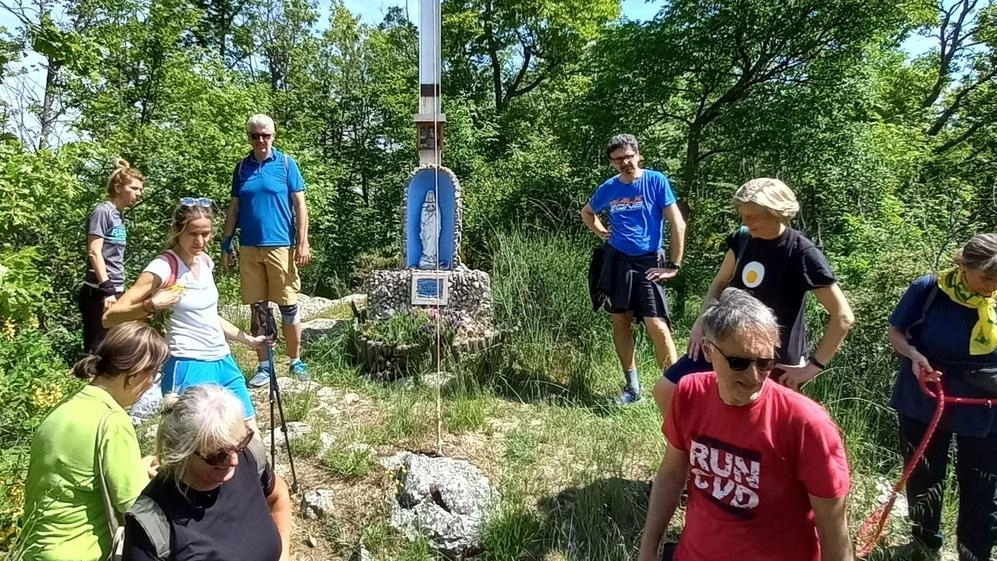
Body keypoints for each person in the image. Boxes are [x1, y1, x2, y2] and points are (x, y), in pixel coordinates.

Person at [637, 288, 853, 561]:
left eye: (764, 363)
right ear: (707, 350)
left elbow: (833, 529)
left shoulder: (805, 423)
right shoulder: (690, 393)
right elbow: (671, 473)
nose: (753, 377)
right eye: (738, 362)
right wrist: (647, 549)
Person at [652, 178, 853, 418]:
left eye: (752, 216)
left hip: (770, 360)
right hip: (724, 344)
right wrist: (702, 322)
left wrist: (812, 368)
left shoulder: (802, 253)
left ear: (778, 213)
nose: (745, 222)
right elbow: (719, 283)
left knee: (752, 423)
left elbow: (843, 317)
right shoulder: (743, 238)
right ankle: (694, 448)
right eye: (743, 215)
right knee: (666, 390)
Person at [104, 198, 266, 428]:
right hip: (187, 362)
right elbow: (110, 318)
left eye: (206, 233)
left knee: (247, 430)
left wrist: (248, 340)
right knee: (194, 441)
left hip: (223, 359)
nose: (200, 241)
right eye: (193, 234)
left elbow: (209, 315)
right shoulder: (163, 267)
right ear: (178, 231)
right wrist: (150, 304)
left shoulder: (205, 262)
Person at [886, 233, 997, 561]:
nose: (992, 286)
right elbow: (896, 331)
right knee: (923, 472)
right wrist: (914, 356)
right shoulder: (929, 289)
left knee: (982, 485)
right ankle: (924, 543)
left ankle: (974, 554)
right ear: (964, 266)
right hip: (924, 395)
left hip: (985, 406)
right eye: (987, 277)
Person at [16, 323, 168, 561]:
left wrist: (139, 466)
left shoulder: (62, 410)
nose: (151, 384)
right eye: (154, 375)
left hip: (33, 549)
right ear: (135, 374)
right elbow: (133, 504)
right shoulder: (112, 421)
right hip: (81, 552)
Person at [122, 385, 292, 561]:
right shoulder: (152, 524)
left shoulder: (249, 457)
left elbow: (278, 496)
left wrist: (283, 554)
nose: (233, 460)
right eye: (218, 455)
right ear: (184, 452)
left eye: (239, 444)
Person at [581, 134, 686, 405]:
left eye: (628, 156)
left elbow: (678, 224)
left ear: (638, 154)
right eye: (618, 159)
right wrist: (603, 233)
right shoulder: (609, 188)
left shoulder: (656, 181)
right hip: (618, 260)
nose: (625, 162)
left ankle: (675, 393)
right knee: (621, 321)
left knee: (657, 325)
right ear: (612, 163)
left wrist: (674, 265)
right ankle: (632, 389)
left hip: (649, 260)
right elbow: (587, 212)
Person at [221, 113, 311, 387]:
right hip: (249, 247)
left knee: (288, 305)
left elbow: (300, 205)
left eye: (265, 135)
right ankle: (264, 365)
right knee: (258, 308)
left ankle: (295, 361)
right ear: (249, 136)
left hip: (281, 246)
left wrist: (303, 241)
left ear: (273, 135)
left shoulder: (286, 164)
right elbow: (234, 207)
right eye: (255, 135)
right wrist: (226, 242)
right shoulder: (241, 168)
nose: (260, 140)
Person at [78, 159, 144, 353]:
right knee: (96, 347)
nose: (139, 193)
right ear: (117, 187)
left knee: (114, 345)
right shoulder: (102, 212)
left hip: (115, 288)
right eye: (134, 188)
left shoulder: (119, 214)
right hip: (100, 291)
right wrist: (107, 289)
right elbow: (94, 252)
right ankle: (86, 380)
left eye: (140, 189)